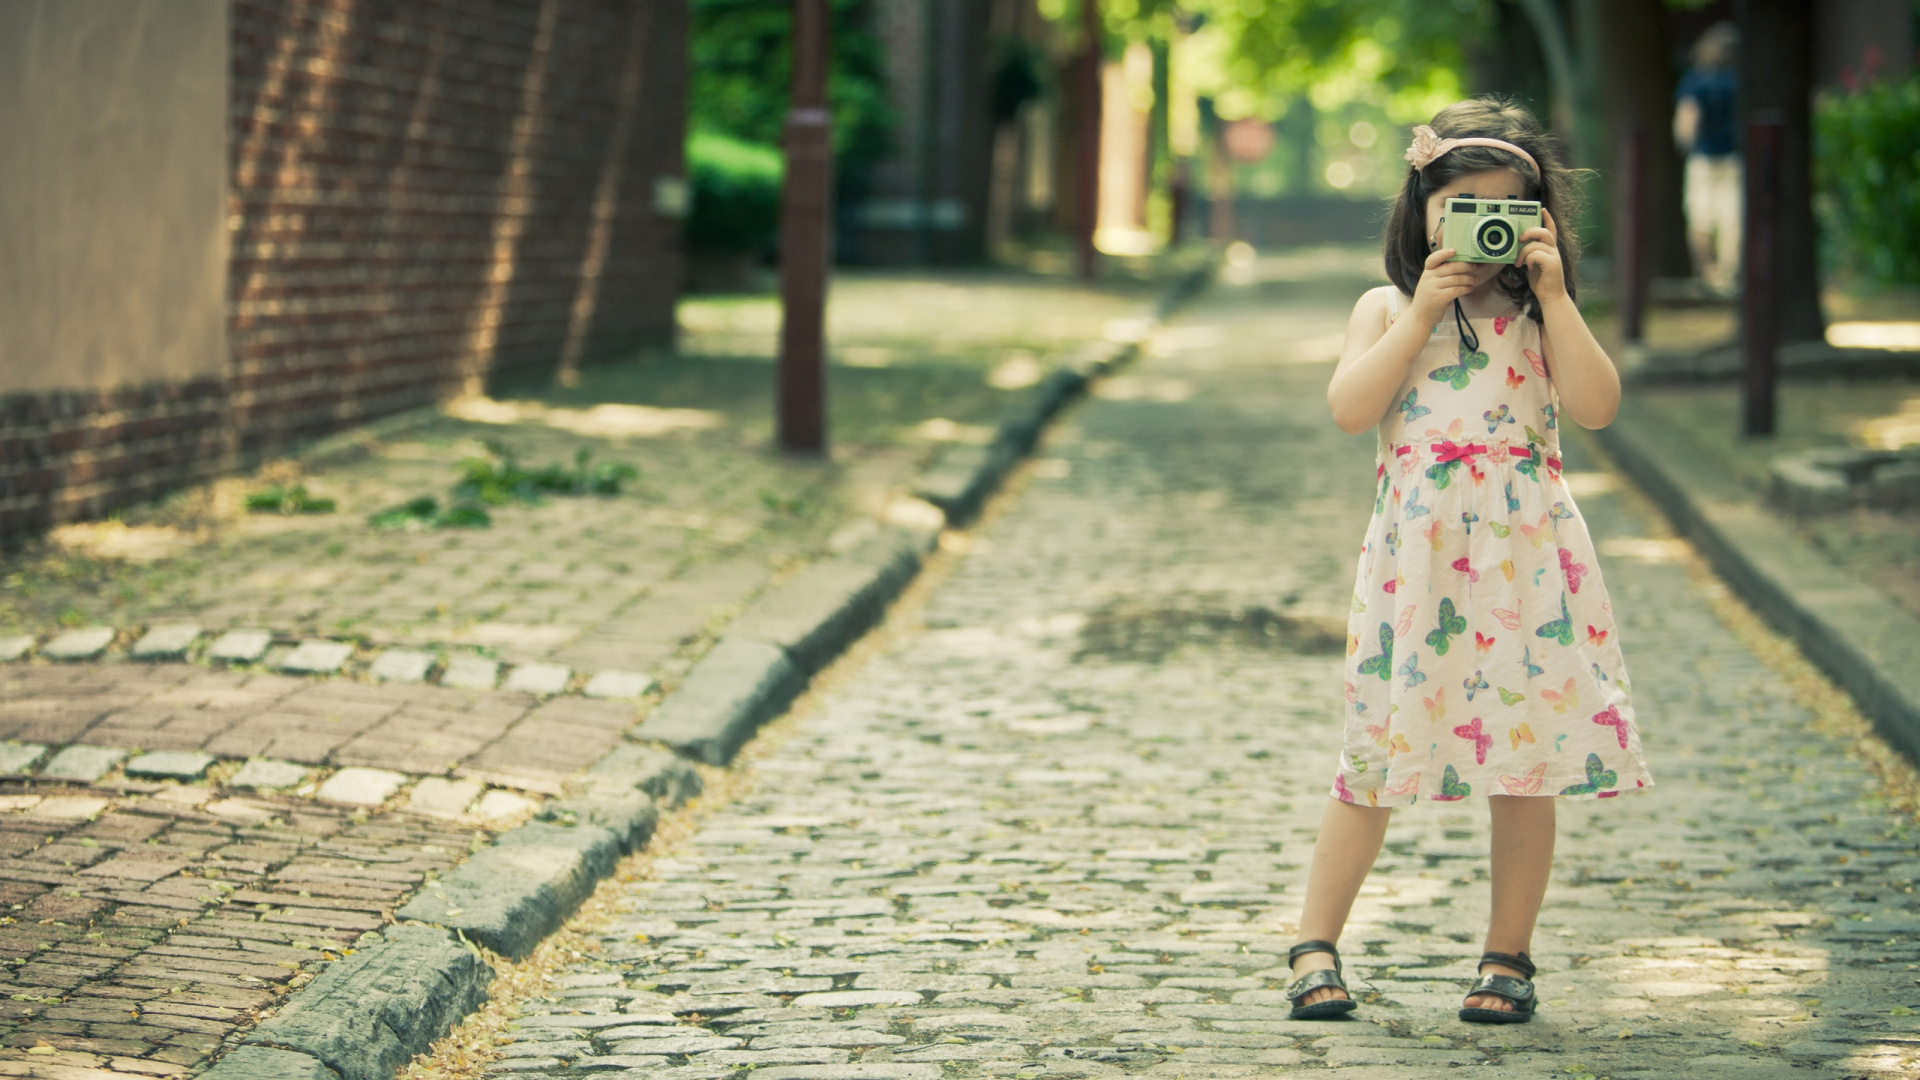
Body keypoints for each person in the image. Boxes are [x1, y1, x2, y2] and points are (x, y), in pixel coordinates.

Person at [1288, 96, 1654, 1026]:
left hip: (1525, 562)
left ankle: (1507, 956)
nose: (1486, 227)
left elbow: (1600, 406)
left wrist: (1559, 297)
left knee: (1522, 760)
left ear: (1538, 219)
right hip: (1419, 568)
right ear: (1423, 214)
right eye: (1463, 208)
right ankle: (1314, 943)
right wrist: (1420, 313)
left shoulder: (1542, 316)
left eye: (1507, 209)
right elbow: (1349, 410)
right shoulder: (1384, 307)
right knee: (1373, 753)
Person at [1674, 23, 1741, 295]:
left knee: (1700, 217)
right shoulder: (1737, 80)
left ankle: (1705, 273)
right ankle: (1728, 275)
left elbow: (1687, 119)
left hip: (1702, 157)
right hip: (1734, 157)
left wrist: (1685, 146)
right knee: (1732, 217)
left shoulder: (1695, 80)